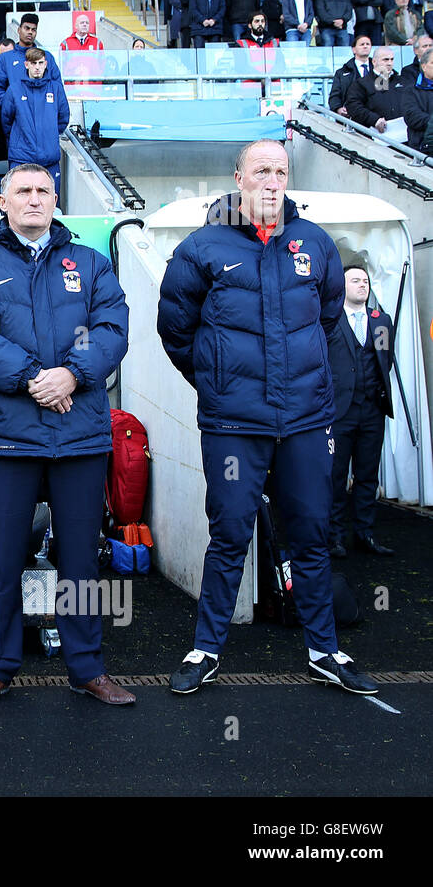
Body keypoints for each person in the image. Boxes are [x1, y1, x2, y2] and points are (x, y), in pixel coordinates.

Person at [157, 139, 379, 696]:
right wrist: (219, 380)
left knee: (309, 535)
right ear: (239, 177)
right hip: (235, 426)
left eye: (281, 171)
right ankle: (205, 649)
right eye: (261, 171)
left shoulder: (316, 242)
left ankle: (325, 650)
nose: (272, 181)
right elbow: (175, 330)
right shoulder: (202, 248)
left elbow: (327, 321)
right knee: (229, 535)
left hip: (305, 423)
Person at [0, 163, 134, 707]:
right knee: (3, 559)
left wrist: (72, 374)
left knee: (81, 561)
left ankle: (88, 667)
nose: (33, 200)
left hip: (79, 437)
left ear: (56, 199)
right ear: (2, 201)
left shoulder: (92, 265)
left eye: (43, 191)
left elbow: (112, 329)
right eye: (22, 191)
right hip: (7, 439)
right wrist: (35, 378)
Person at [327, 263, 395, 559]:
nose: (362, 285)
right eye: (355, 280)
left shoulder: (382, 322)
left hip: (371, 411)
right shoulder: (329, 320)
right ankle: (335, 537)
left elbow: (385, 360)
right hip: (340, 411)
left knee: (368, 476)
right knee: (336, 476)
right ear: (343, 287)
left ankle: (365, 534)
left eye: (365, 281)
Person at [0, 49, 69, 198]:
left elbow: (63, 118)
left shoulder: (56, 88)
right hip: (21, 158)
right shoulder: (14, 89)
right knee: (19, 202)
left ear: (46, 64)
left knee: (49, 202)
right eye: (33, 63)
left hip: (49, 159)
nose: (37, 67)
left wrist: (48, 134)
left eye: (40, 63)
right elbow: (6, 121)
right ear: (26, 65)